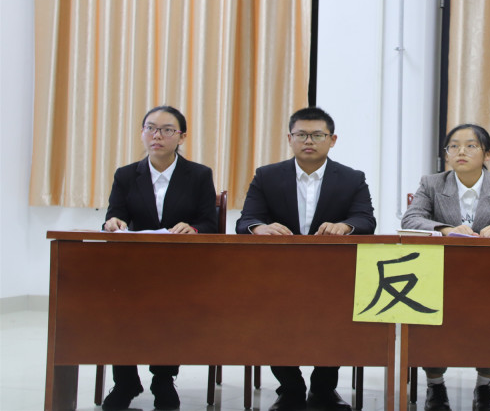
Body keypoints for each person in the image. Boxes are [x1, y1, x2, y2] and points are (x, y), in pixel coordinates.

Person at [236, 107, 376, 411]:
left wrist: (345, 226)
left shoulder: (351, 178)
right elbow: (246, 220)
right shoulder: (267, 176)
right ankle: (290, 388)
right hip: (278, 274)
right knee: (269, 314)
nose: (308, 141)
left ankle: (324, 389)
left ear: (332, 139)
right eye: (301, 134)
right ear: (290, 138)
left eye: (317, 135)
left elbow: (365, 219)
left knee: (341, 314)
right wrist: (259, 228)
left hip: (332, 275)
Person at [401, 123, 490, 411]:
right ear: (446, 154)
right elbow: (411, 219)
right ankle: (435, 386)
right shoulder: (432, 183)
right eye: (454, 146)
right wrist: (445, 229)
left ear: (487, 154)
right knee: (427, 309)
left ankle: (484, 386)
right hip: (440, 274)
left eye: (470, 146)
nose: (461, 151)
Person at [101, 105, 218, 410]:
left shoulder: (199, 175)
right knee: (116, 305)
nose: (157, 136)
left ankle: (163, 379)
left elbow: (209, 222)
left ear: (182, 137)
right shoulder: (126, 175)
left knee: (171, 308)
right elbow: (115, 215)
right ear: (142, 133)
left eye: (167, 130)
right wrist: (113, 222)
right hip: (135, 267)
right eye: (151, 128)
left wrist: (193, 228)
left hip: (181, 268)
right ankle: (125, 381)